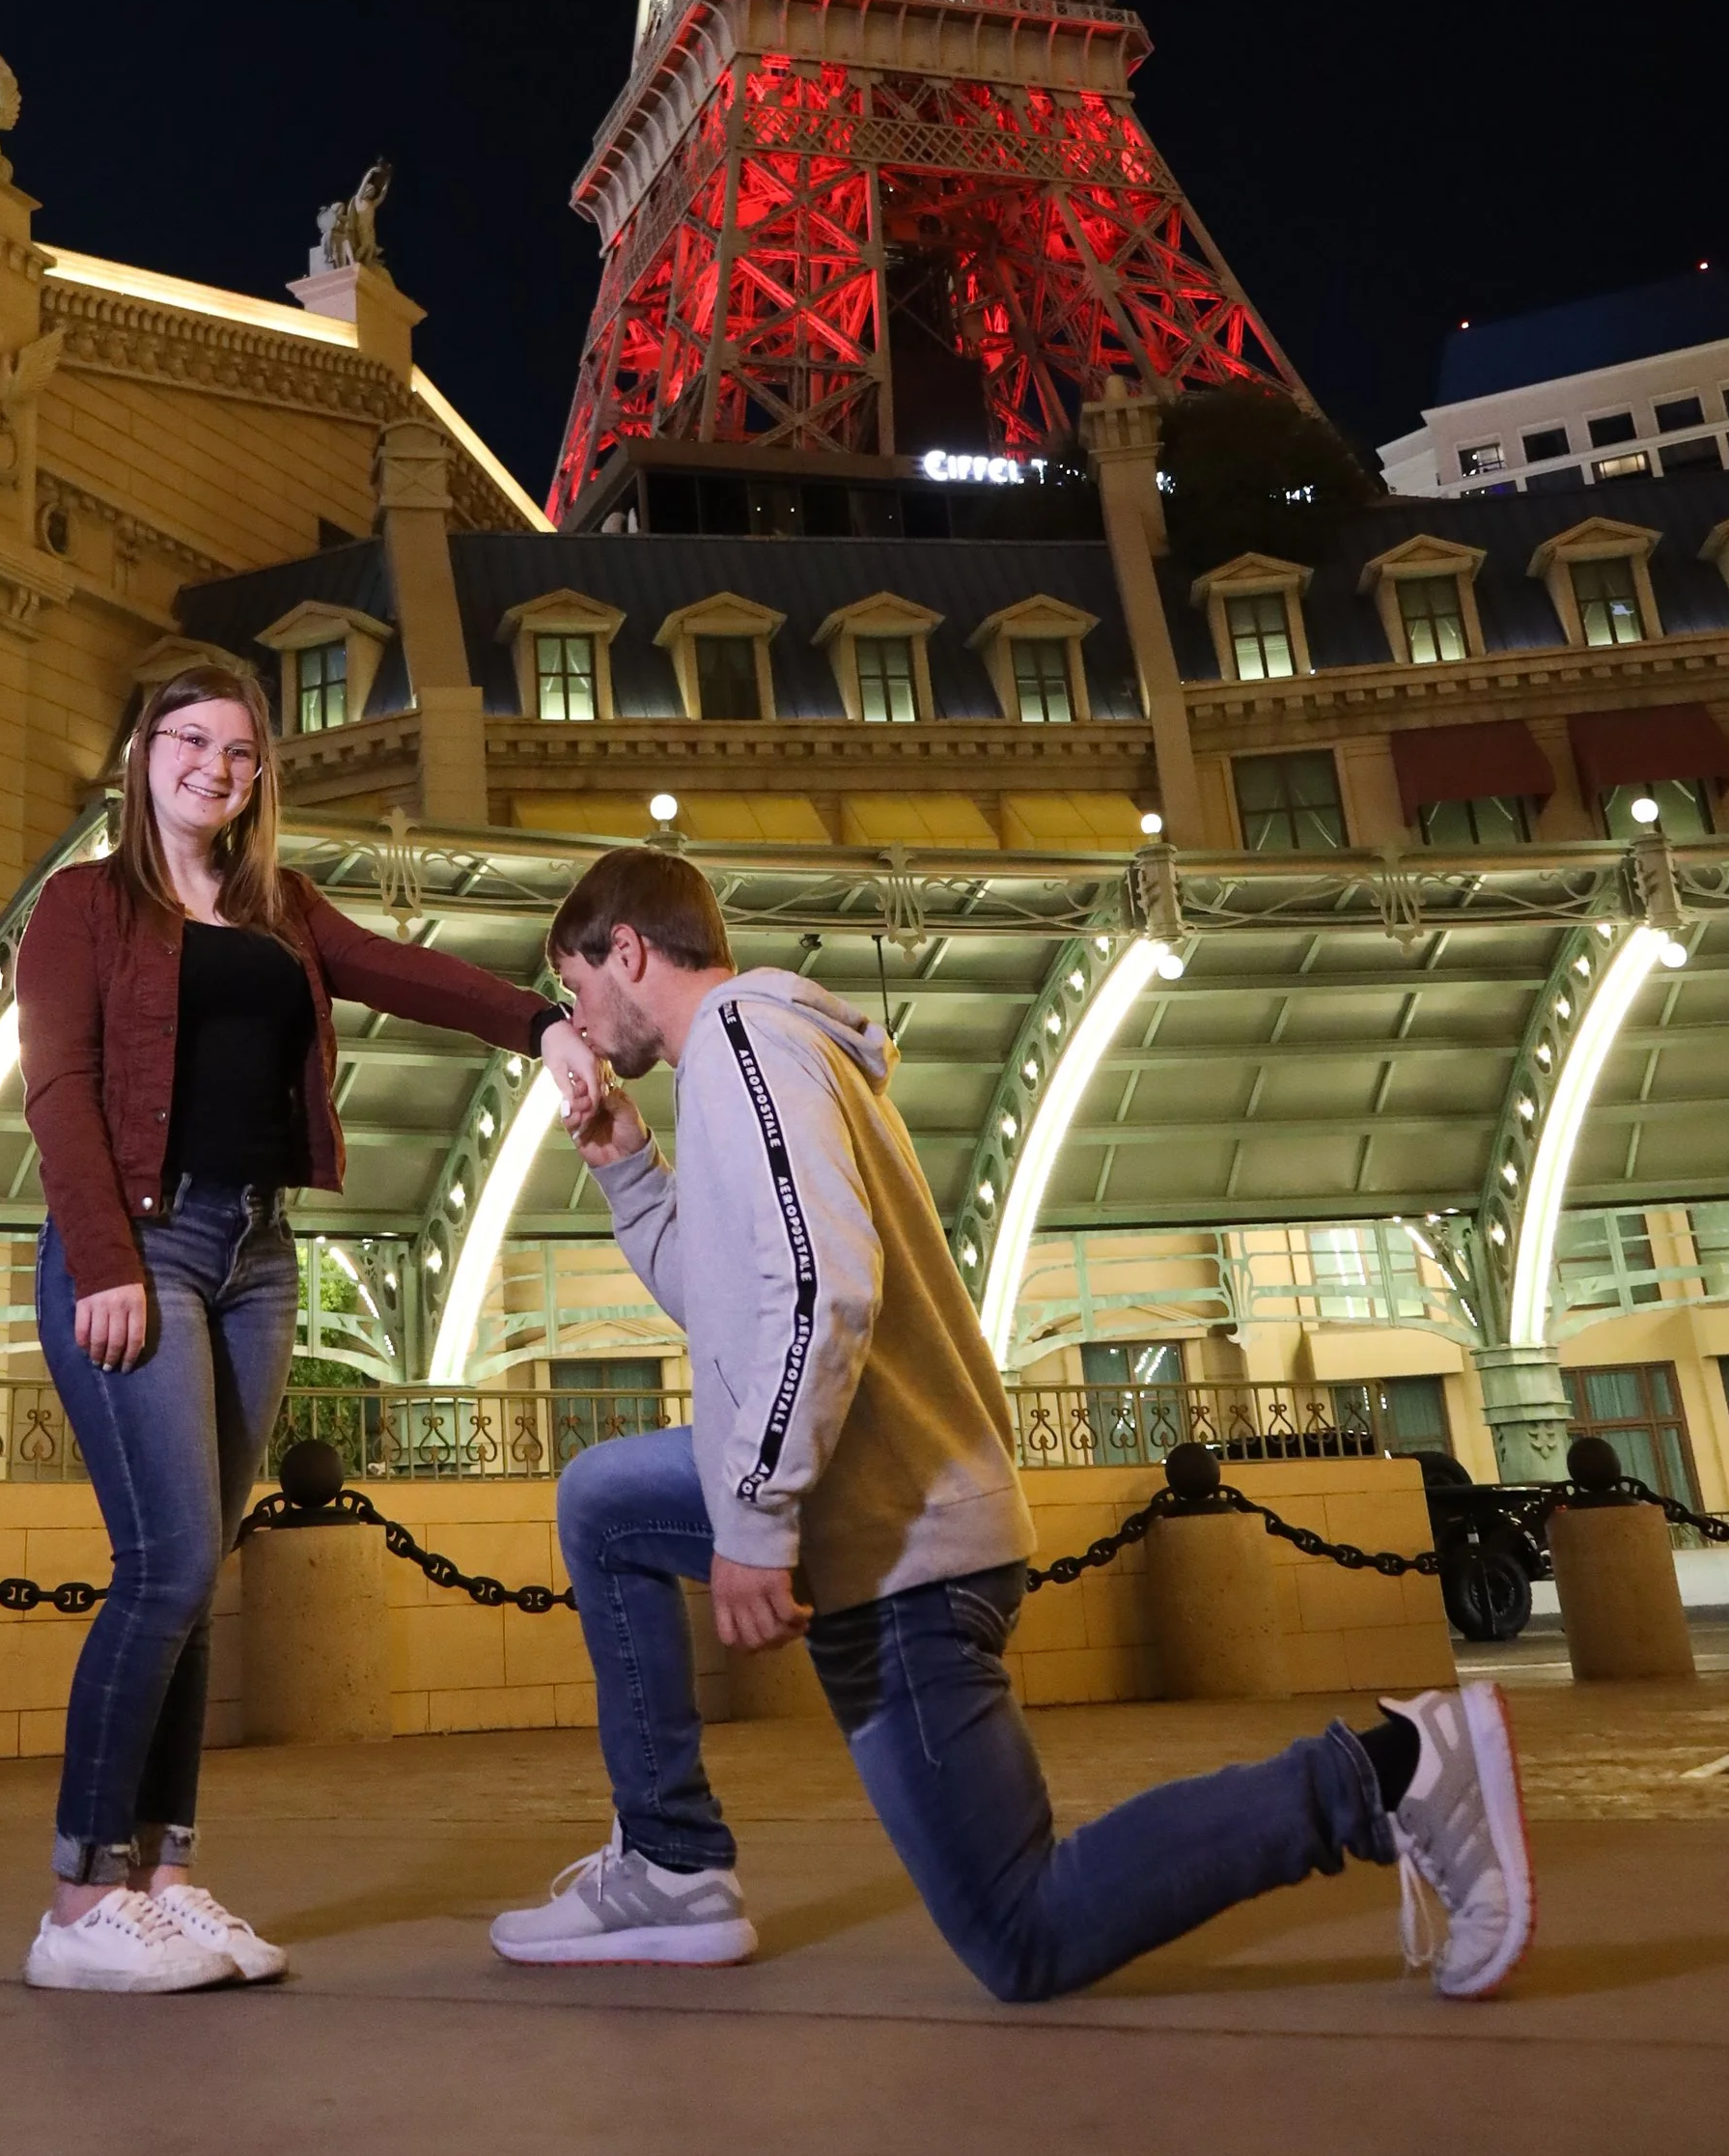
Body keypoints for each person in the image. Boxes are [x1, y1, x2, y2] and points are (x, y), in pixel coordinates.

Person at [491, 845, 1533, 2004]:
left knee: (1023, 1927)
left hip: (898, 1544)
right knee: (605, 1500)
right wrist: (631, 1173)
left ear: (627, 950)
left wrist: (758, 1517)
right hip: (876, 1505)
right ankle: (671, 1862)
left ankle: (1390, 1778)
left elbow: (818, 1289)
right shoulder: (742, 1064)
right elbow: (735, 1303)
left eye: (576, 987)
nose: (576, 1020)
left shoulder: (743, 1045)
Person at [17, 652, 598, 1995]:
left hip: (256, 1253)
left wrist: (541, 1023)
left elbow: (399, 968)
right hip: (141, 1249)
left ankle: (161, 1877)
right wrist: (104, 1254)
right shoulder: (85, 905)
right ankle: (75, 1896)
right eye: (193, 742)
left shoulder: (282, 907)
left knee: (198, 1572)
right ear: (143, 751)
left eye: (241, 751)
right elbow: (60, 1084)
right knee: (160, 1565)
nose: (218, 768)